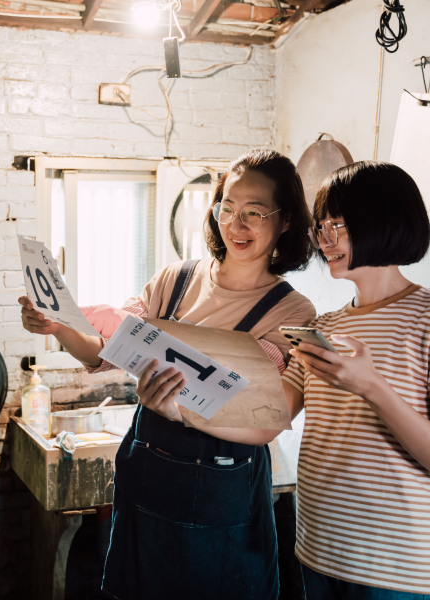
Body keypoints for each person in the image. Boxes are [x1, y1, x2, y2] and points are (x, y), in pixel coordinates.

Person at [20, 149, 317, 600]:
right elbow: (105, 351)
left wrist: (180, 412)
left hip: (223, 494)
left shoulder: (292, 311)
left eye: (254, 213)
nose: (236, 225)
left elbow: (262, 415)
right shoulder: (174, 280)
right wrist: (59, 326)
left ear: (287, 220)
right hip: (148, 485)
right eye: (227, 209)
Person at [282, 161, 430, 599]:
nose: (324, 240)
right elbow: (268, 416)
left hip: (398, 574)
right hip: (316, 554)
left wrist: (371, 386)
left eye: (337, 225)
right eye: (321, 227)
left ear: (383, 221)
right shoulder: (323, 325)